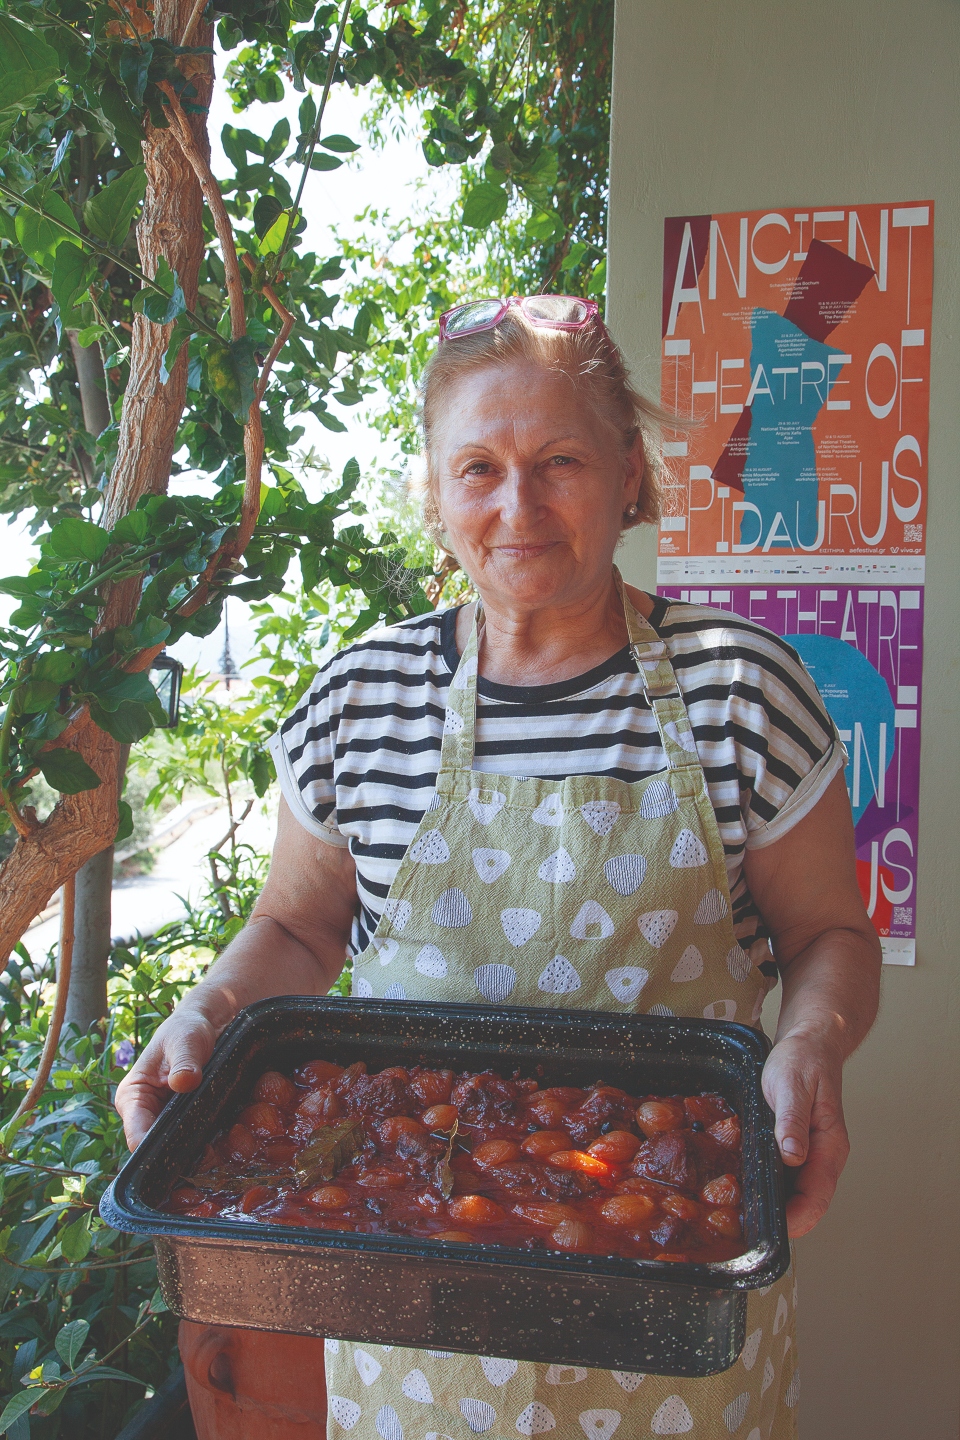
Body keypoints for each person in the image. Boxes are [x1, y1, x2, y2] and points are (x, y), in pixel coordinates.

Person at [117, 294, 881, 1439]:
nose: (517, 505)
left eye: (559, 460)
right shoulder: (359, 701)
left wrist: (813, 1045)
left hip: (671, 1324)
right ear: (435, 492)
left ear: (630, 473)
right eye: (477, 467)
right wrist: (213, 1006)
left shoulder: (741, 691)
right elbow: (300, 928)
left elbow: (830, 937)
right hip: (410, 1321)